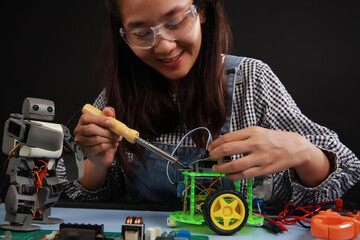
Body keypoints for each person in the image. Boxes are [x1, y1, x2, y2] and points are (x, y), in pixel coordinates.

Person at [57, 0, 360, 205]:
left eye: (175, 22)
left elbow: (346, 170)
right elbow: (89, 201)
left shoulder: (251, 80)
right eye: (141, 33)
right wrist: (96, 163)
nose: (163, 46)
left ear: (202, 10)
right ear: (123, 35)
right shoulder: (115, 100)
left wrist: (301, 151)